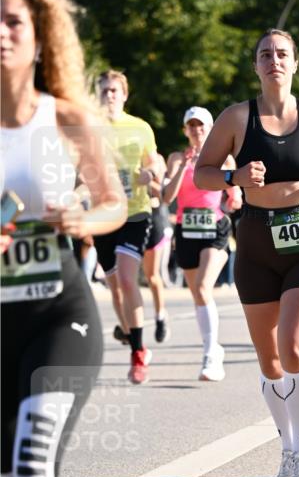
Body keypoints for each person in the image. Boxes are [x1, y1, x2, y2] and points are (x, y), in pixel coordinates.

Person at [1, 0, 126, 477]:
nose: (3, 31)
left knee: (35, 458)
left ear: (37, 35)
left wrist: (84, 220)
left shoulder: (67, 119)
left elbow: (113, 203)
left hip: (61, 316)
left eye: (15, 21)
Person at [194, 28, 299, 477]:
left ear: (295, 63)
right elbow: (202, 170)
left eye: (282, 53)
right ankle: (286, 446)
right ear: (257, 65)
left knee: (295, 347)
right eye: (265, 54)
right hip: (257, 242)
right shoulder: (237, 117)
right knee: (270, 362)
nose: (274, 60)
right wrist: (232, 176)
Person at [95, 70, 165, 382]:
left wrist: (152, 174)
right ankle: (128, 330)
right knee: (114, 288)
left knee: (126, 279)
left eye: (114, 90)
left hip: (134, 212)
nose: (109, 95)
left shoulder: (140, 127)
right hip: (101, 215)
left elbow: (155, 162)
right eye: (104, 90)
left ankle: (138, 354)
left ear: (124, 95)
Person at [163, 106, 241, 380]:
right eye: (192, 126)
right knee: (197, 293)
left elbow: (236, 197)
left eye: (202, 126)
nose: (197, 130)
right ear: (186, 130)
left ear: (210, 130)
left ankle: (210, 354)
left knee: (204, 287)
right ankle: (214, 348)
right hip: (186, 230)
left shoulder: (224, 158)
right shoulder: (175, 158)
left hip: (215, 228)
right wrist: (184, 165)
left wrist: (233, 197)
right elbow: (165, 197)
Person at [142, 152, 172, 343]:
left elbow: (161, 194)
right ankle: (127, 325)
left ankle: (160, 316)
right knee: (123, 276)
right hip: (130, 219)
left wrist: (142, 180)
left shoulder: (157, 159)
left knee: (152, 275)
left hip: (153, 219)